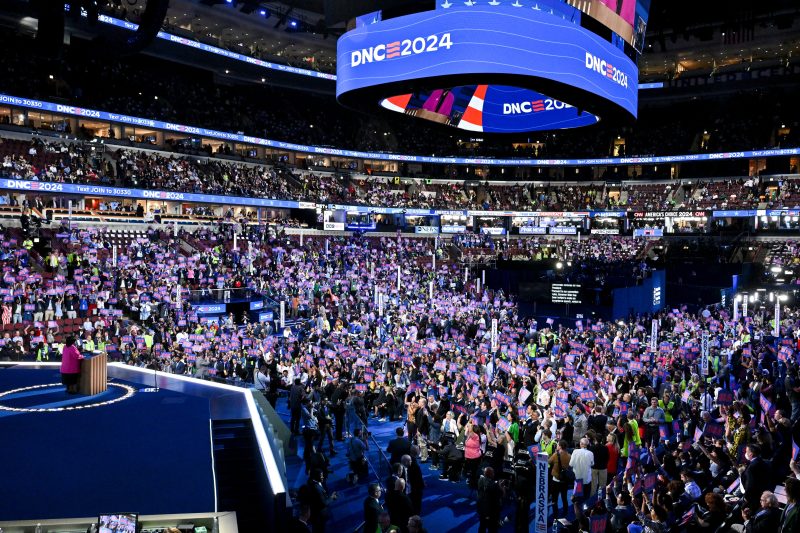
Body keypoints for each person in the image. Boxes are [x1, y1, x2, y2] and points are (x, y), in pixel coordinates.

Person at [476, 466, 504, 533]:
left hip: (481, 509)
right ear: (491, 474)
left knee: (482, 526)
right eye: (493, 473)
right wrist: (500, 486)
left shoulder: (480, 480)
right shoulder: (494, 485)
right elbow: (501, 494)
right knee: (492, 529)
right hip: (491, 511)